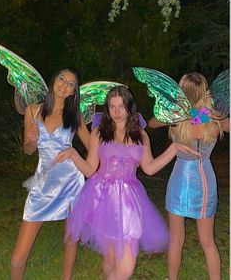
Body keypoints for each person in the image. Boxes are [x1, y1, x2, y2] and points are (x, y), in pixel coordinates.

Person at [55, 85, 200, 280]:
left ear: (129, 107)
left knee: (125, 267)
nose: (116, 111)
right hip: (101, 198)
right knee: (111, 258)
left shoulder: (140, 135)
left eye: (121, 106)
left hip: (129, 202)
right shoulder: (99, 132)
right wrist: (73, 154)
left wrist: (173, 149)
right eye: (111, 106)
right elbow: (90, 169)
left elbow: (149, 168)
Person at [148, 72, 230, 280]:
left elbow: (151, 123)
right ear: (205, 92)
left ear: (181, 91)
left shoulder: (177, 118)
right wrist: (208, 112)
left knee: (176, 239)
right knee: (208, 241)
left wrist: (179, 112)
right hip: (204, 179)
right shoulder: (213, 118)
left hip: (180, 177)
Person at [10, 68, 90, 280]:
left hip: (71, 183)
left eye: (71, 83)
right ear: (54, 80)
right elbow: (28, 150)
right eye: (62, 78)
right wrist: (31, 140)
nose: (64, 84)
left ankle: (67, 278)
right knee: (17, 259)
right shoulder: (33, 111)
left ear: (74, 92)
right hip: (43, 185)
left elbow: (93, 147)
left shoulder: (75, 115)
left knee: (71, 238)